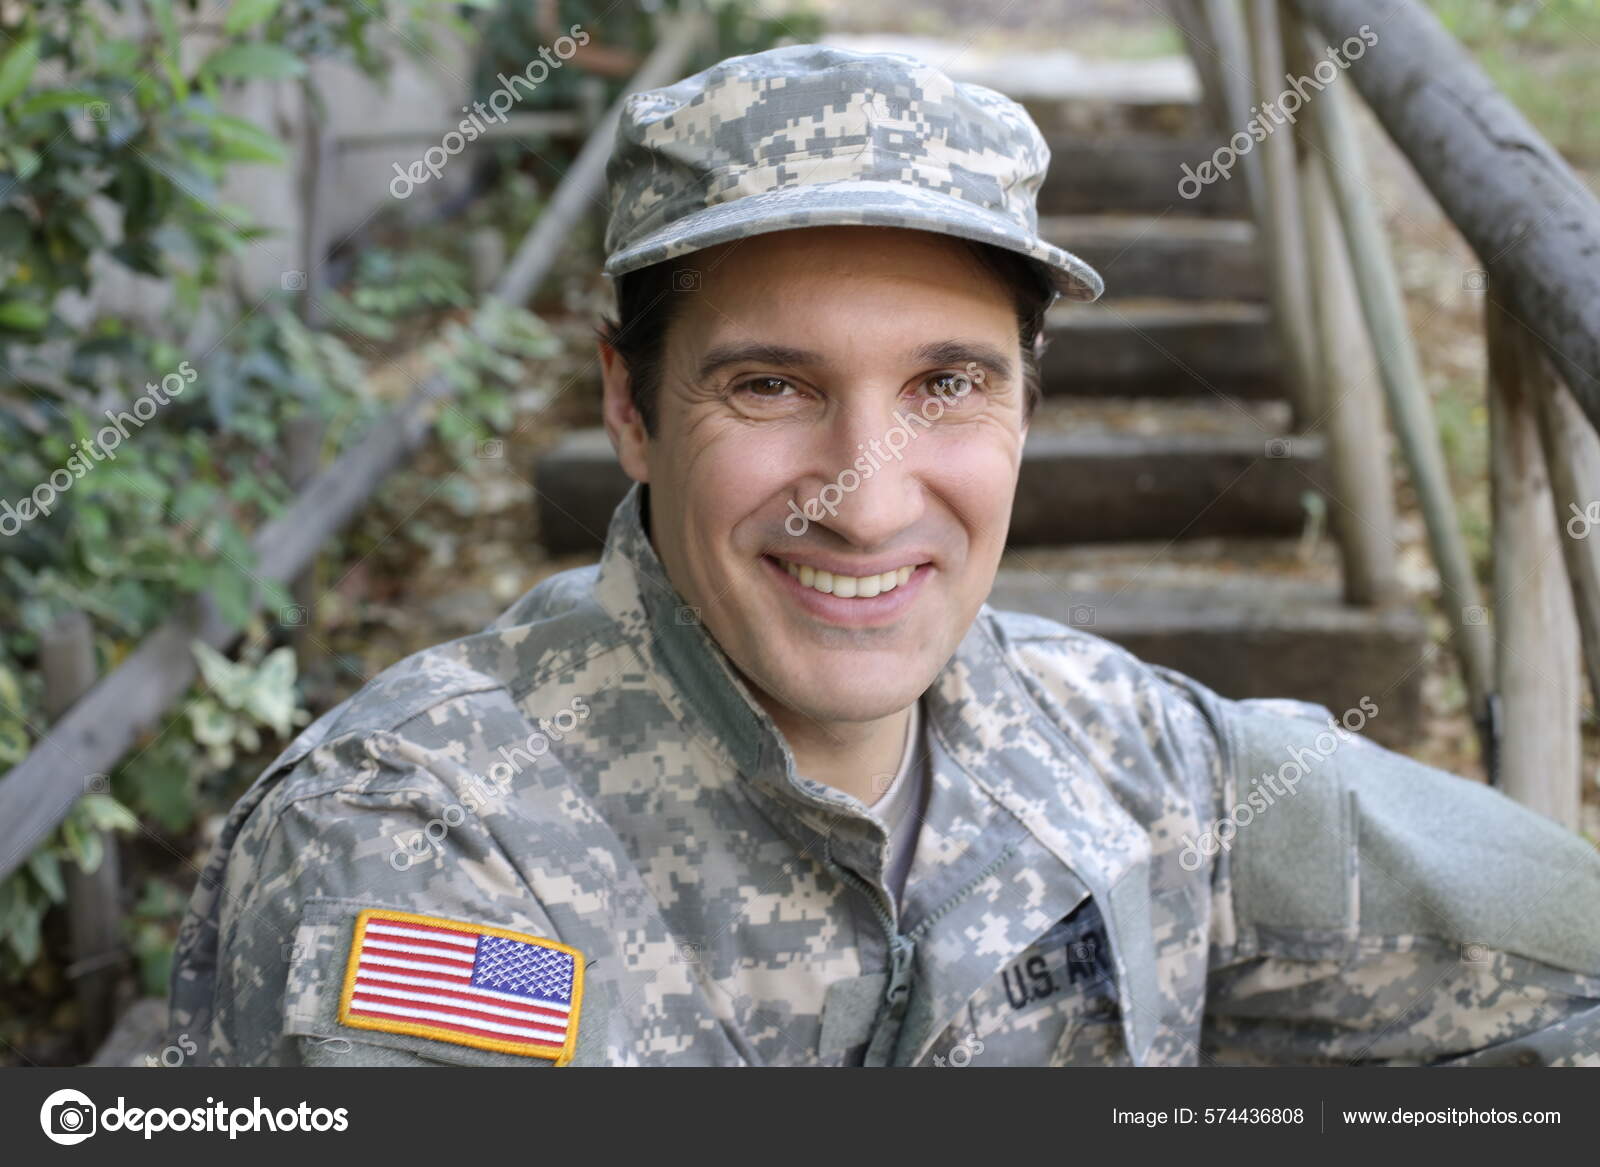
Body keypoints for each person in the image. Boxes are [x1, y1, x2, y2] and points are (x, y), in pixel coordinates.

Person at [169, 43, 1600, 1067]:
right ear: (627, 405)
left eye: (949, 385)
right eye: (771, 386)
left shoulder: (1131, 761)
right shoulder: (418, 855)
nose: (866, 503)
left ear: (1029, 405)